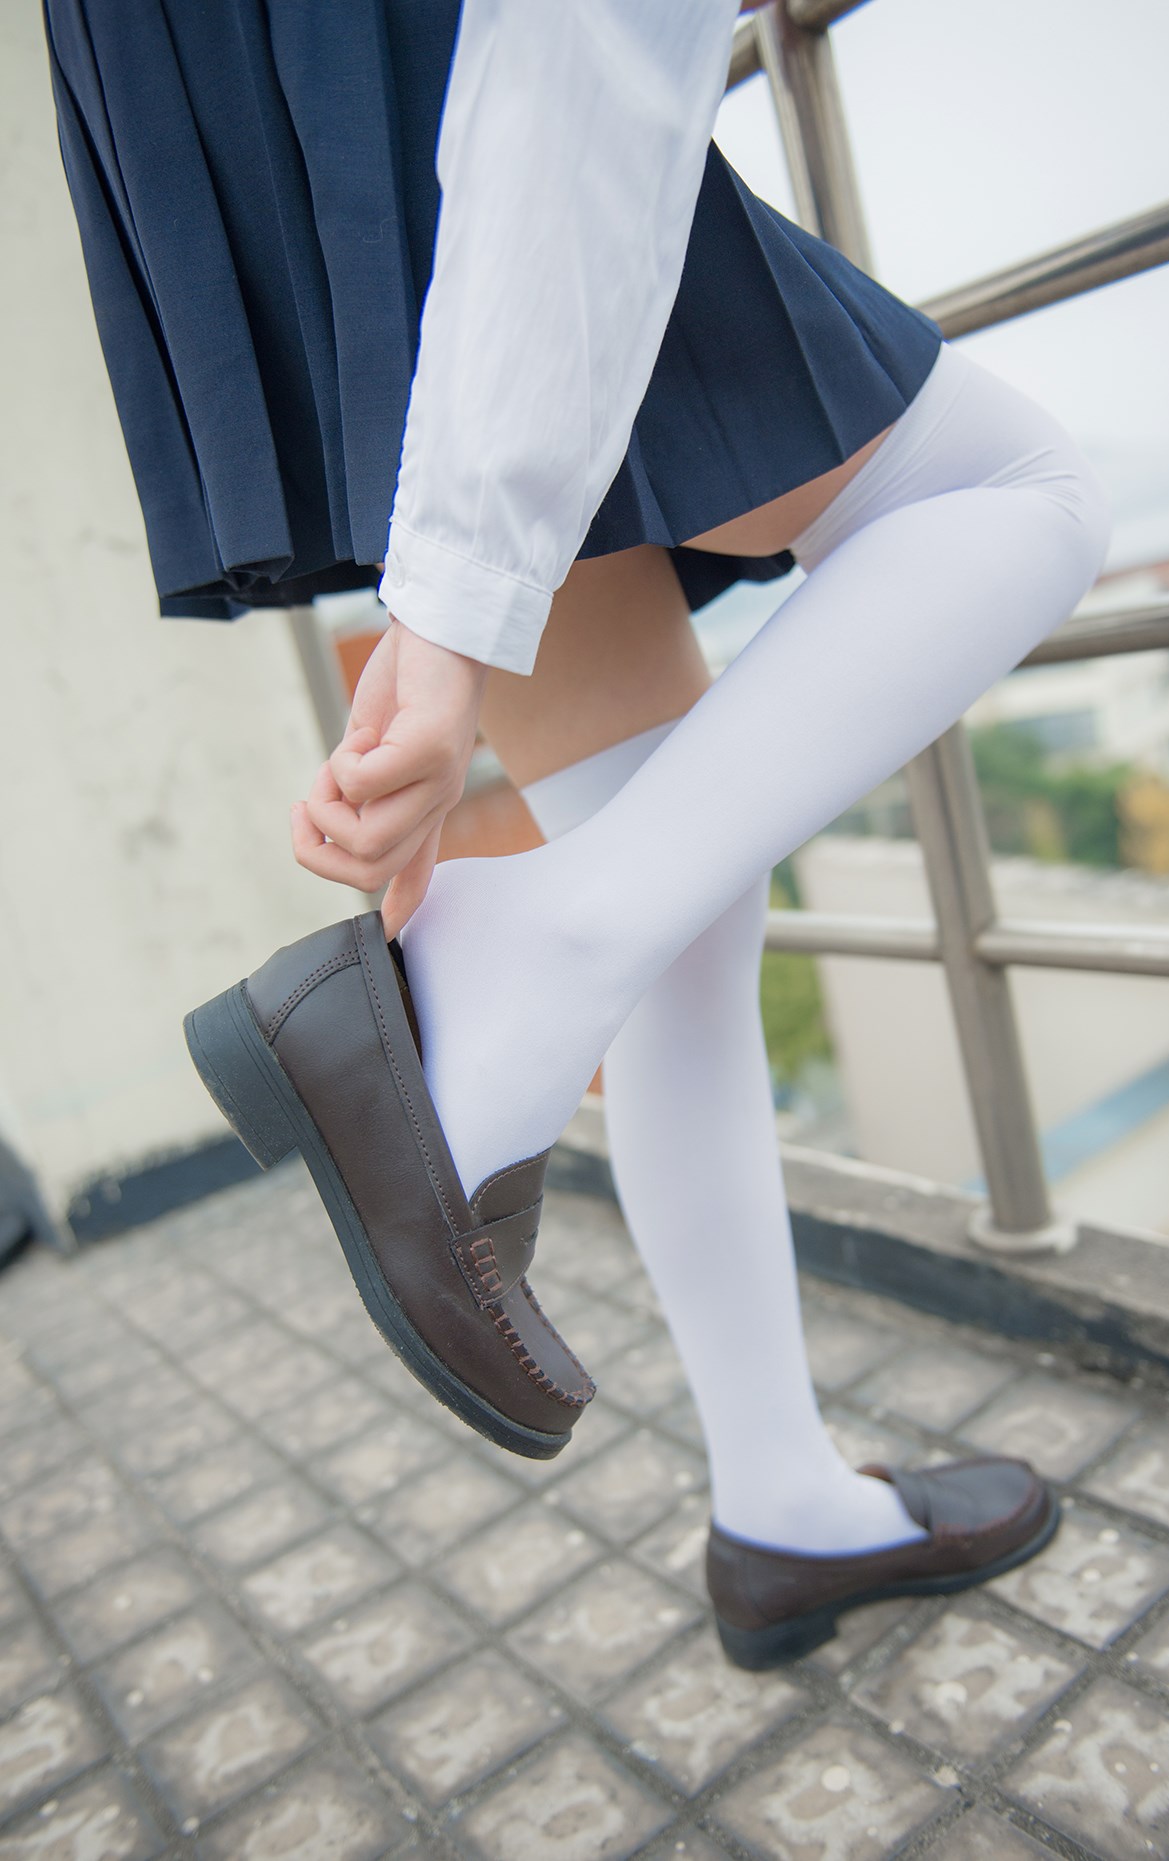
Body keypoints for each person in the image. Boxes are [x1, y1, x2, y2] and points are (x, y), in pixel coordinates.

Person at [44, 0, 1107, 1668]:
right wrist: (459, 600)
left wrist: (451, 607)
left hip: (234, 80)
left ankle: (778, 1503)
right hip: (430, 80)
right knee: (1014, 493)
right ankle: (516, 950)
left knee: (662, 866)